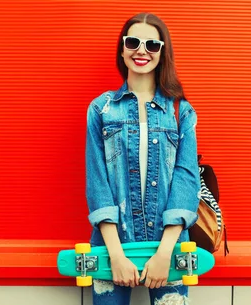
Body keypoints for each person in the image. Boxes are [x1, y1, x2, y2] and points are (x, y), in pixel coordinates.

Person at [85, 12, 200, 305]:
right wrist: (116, 254)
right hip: (111, 247)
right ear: (122, 49)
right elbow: (97, 184)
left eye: (152, 45)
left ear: (162, 52)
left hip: (170, 248)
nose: (141, 51)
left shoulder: (179, 111)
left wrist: (164, 254)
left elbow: (186, 183)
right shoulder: (101, 109)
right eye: (133, 42)